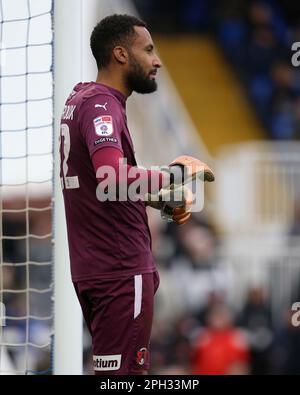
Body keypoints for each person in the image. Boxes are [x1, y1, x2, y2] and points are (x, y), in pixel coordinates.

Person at [59, 14, 213, 375]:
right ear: (120, 54)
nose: (157, 60)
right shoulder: (102, 106)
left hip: (94, 269)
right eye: (148, 50)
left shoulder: (80, 98)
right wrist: (172, 174)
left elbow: (99, 185)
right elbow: (110, 175)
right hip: (120, 270)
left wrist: (158, 199)